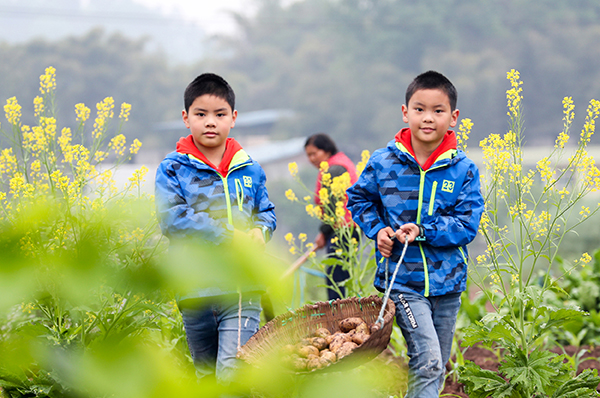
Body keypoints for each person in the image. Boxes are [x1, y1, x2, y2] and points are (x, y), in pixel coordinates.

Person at [346, 71, 484, 397]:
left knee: (435, 367)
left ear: (454, 117)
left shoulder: (463, 169)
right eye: (419, 109)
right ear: (405, 112)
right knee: (430, 361)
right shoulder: (383, 162)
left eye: (439, 110)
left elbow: (466, 224)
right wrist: (378, 229)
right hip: (403, 282)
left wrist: (423, 231)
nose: (428, 118)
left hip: (448, 284)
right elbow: (359, 199)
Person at [154, 73, 277, 384]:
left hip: (241, 288)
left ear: (233, 118)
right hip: (195, 290)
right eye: (201, 114)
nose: (210, 122)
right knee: (207, 378)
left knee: (231, 377)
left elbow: (266, 213)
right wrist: (228, 236)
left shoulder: (250, 168)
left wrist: (260, 233)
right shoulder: (173, 168)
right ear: (186, 118)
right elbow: (173, 220)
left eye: (219, 115)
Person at [304, 133, 358, 300]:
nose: (311, 159)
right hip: (344, 229)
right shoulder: (338, 164)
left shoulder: (335, 169)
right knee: (338, 277)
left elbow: (332, 206)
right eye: (308, 155)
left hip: (342, 230)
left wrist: (323, 232)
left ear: (326, 150)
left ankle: (338, 317)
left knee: (336, 279)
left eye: (314, 153)